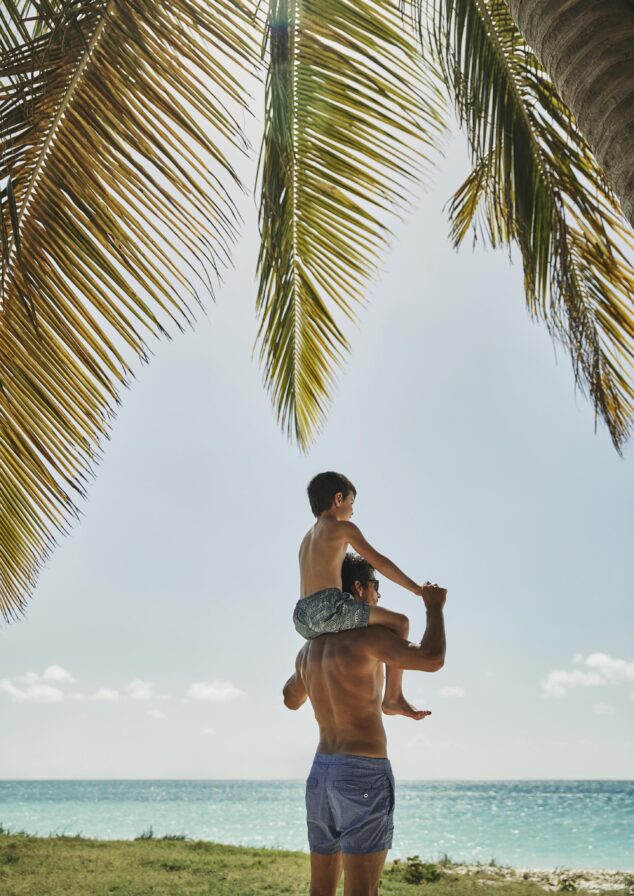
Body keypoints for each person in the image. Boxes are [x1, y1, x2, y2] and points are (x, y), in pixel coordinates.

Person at [283, 556, 447, 896]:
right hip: (362, 772)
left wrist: (311, 677)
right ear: (358, 589)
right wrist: (434, 608)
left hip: (321, 774)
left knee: (321, 890)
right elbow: (431, 658)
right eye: (376, 588)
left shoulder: (308, 650)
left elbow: (290, 698)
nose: (378, 598)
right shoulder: (370, 640)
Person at [294, 471, 432, 719]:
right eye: (351, 503)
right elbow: (379, 561)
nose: (352, 511)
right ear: (338, 499)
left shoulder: (307, 538)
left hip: (302, 617)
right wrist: (415, 588)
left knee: (347, 636)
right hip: (329, 607)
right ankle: (393, 697)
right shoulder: (342, 528)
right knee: (400, 622)